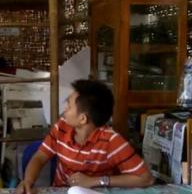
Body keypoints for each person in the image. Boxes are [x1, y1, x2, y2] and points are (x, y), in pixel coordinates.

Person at [16, 79, 154, 194]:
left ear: (82, 119)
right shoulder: (62, 127)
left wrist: (94, 181)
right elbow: (40, 156)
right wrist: (27, 181)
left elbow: (146, 178)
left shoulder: (111, 141)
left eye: (69, 106)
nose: (64, 109)